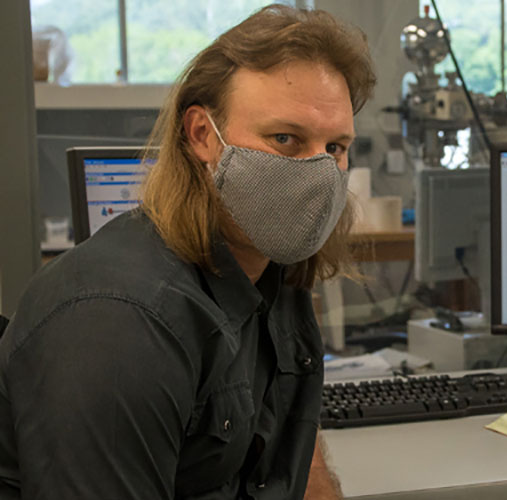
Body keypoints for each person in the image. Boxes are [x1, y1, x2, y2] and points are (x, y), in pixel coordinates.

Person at [0, 5, 374, 499]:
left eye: (335, 149)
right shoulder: (118, 323)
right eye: (285, 139)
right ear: (202, 135)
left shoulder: (271, 271)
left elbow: (289, 460)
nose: (319, 175)